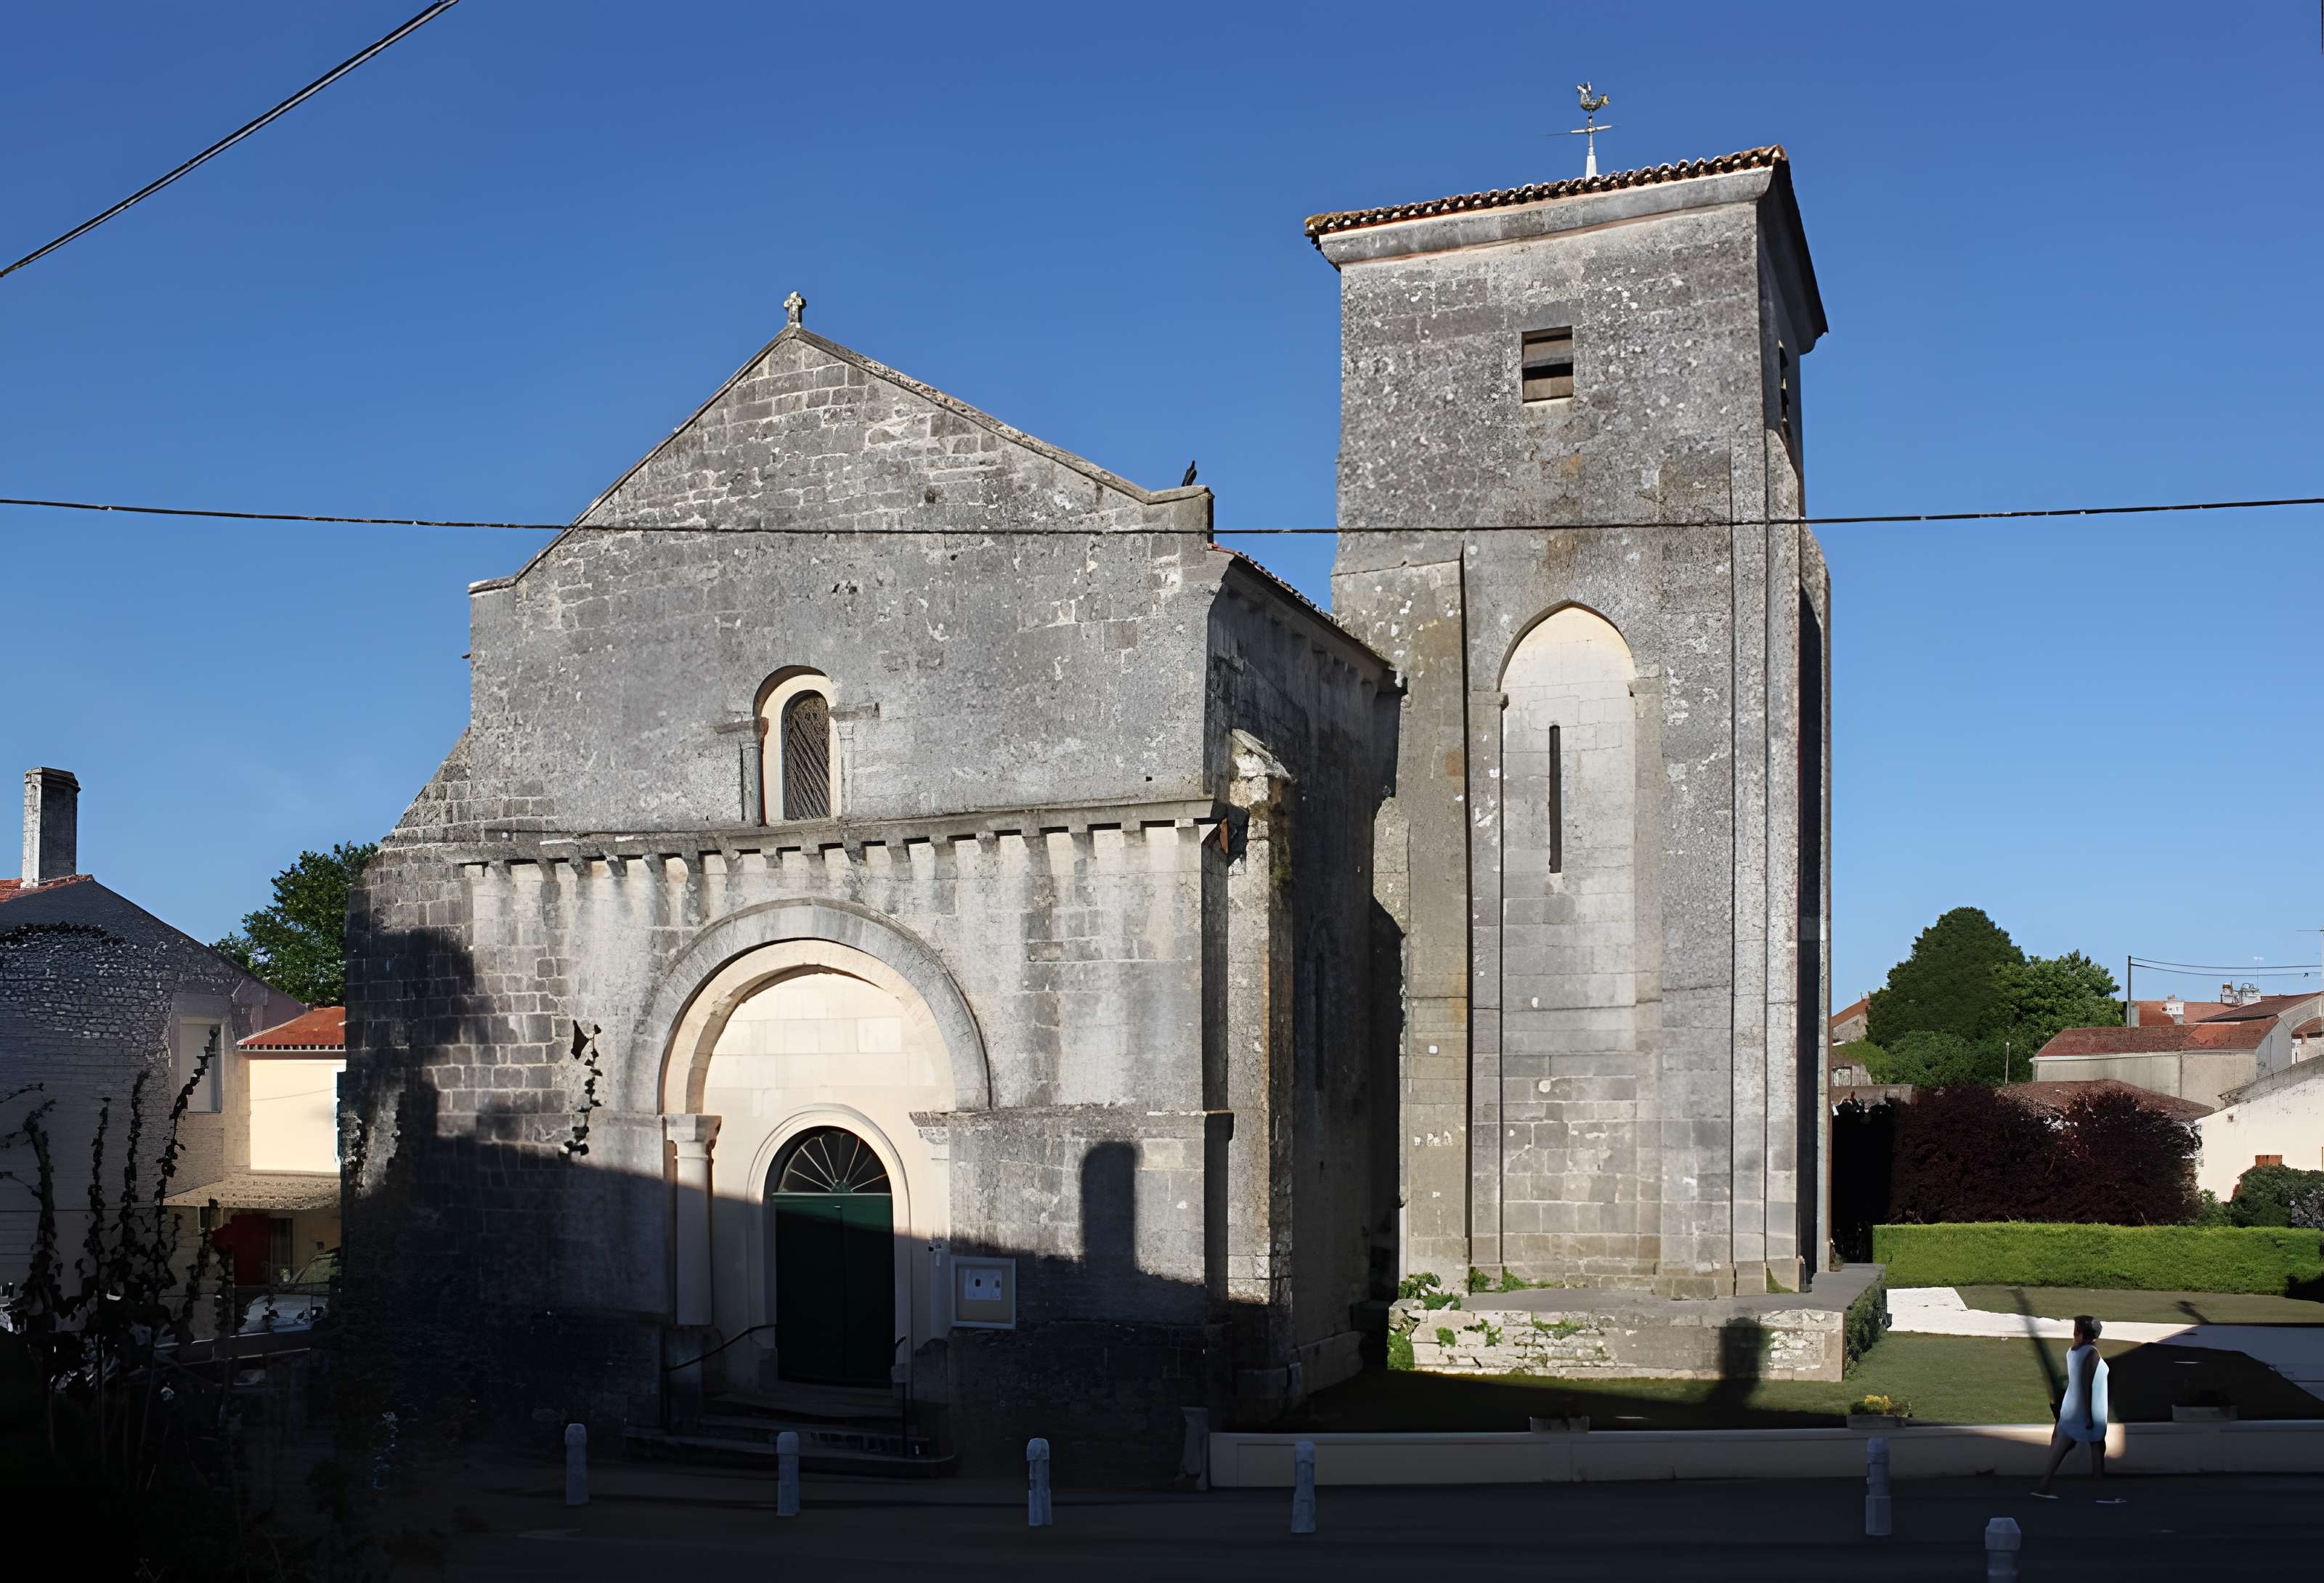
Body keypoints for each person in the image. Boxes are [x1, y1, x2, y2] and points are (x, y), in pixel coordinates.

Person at [2033, 1314, 2121, 1502]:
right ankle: (2100, 1492)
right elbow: (2087, 1383)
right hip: (2088, 1409)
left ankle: (2044, 1485)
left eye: (2077, 1330)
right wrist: (2089, 1415)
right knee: (2097, 1445)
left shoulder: (2073, 1351)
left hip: (2072, 1407)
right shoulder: (2091, 1353)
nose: (2075, 1333)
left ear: (2082, 1334)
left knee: (2064, 1445)